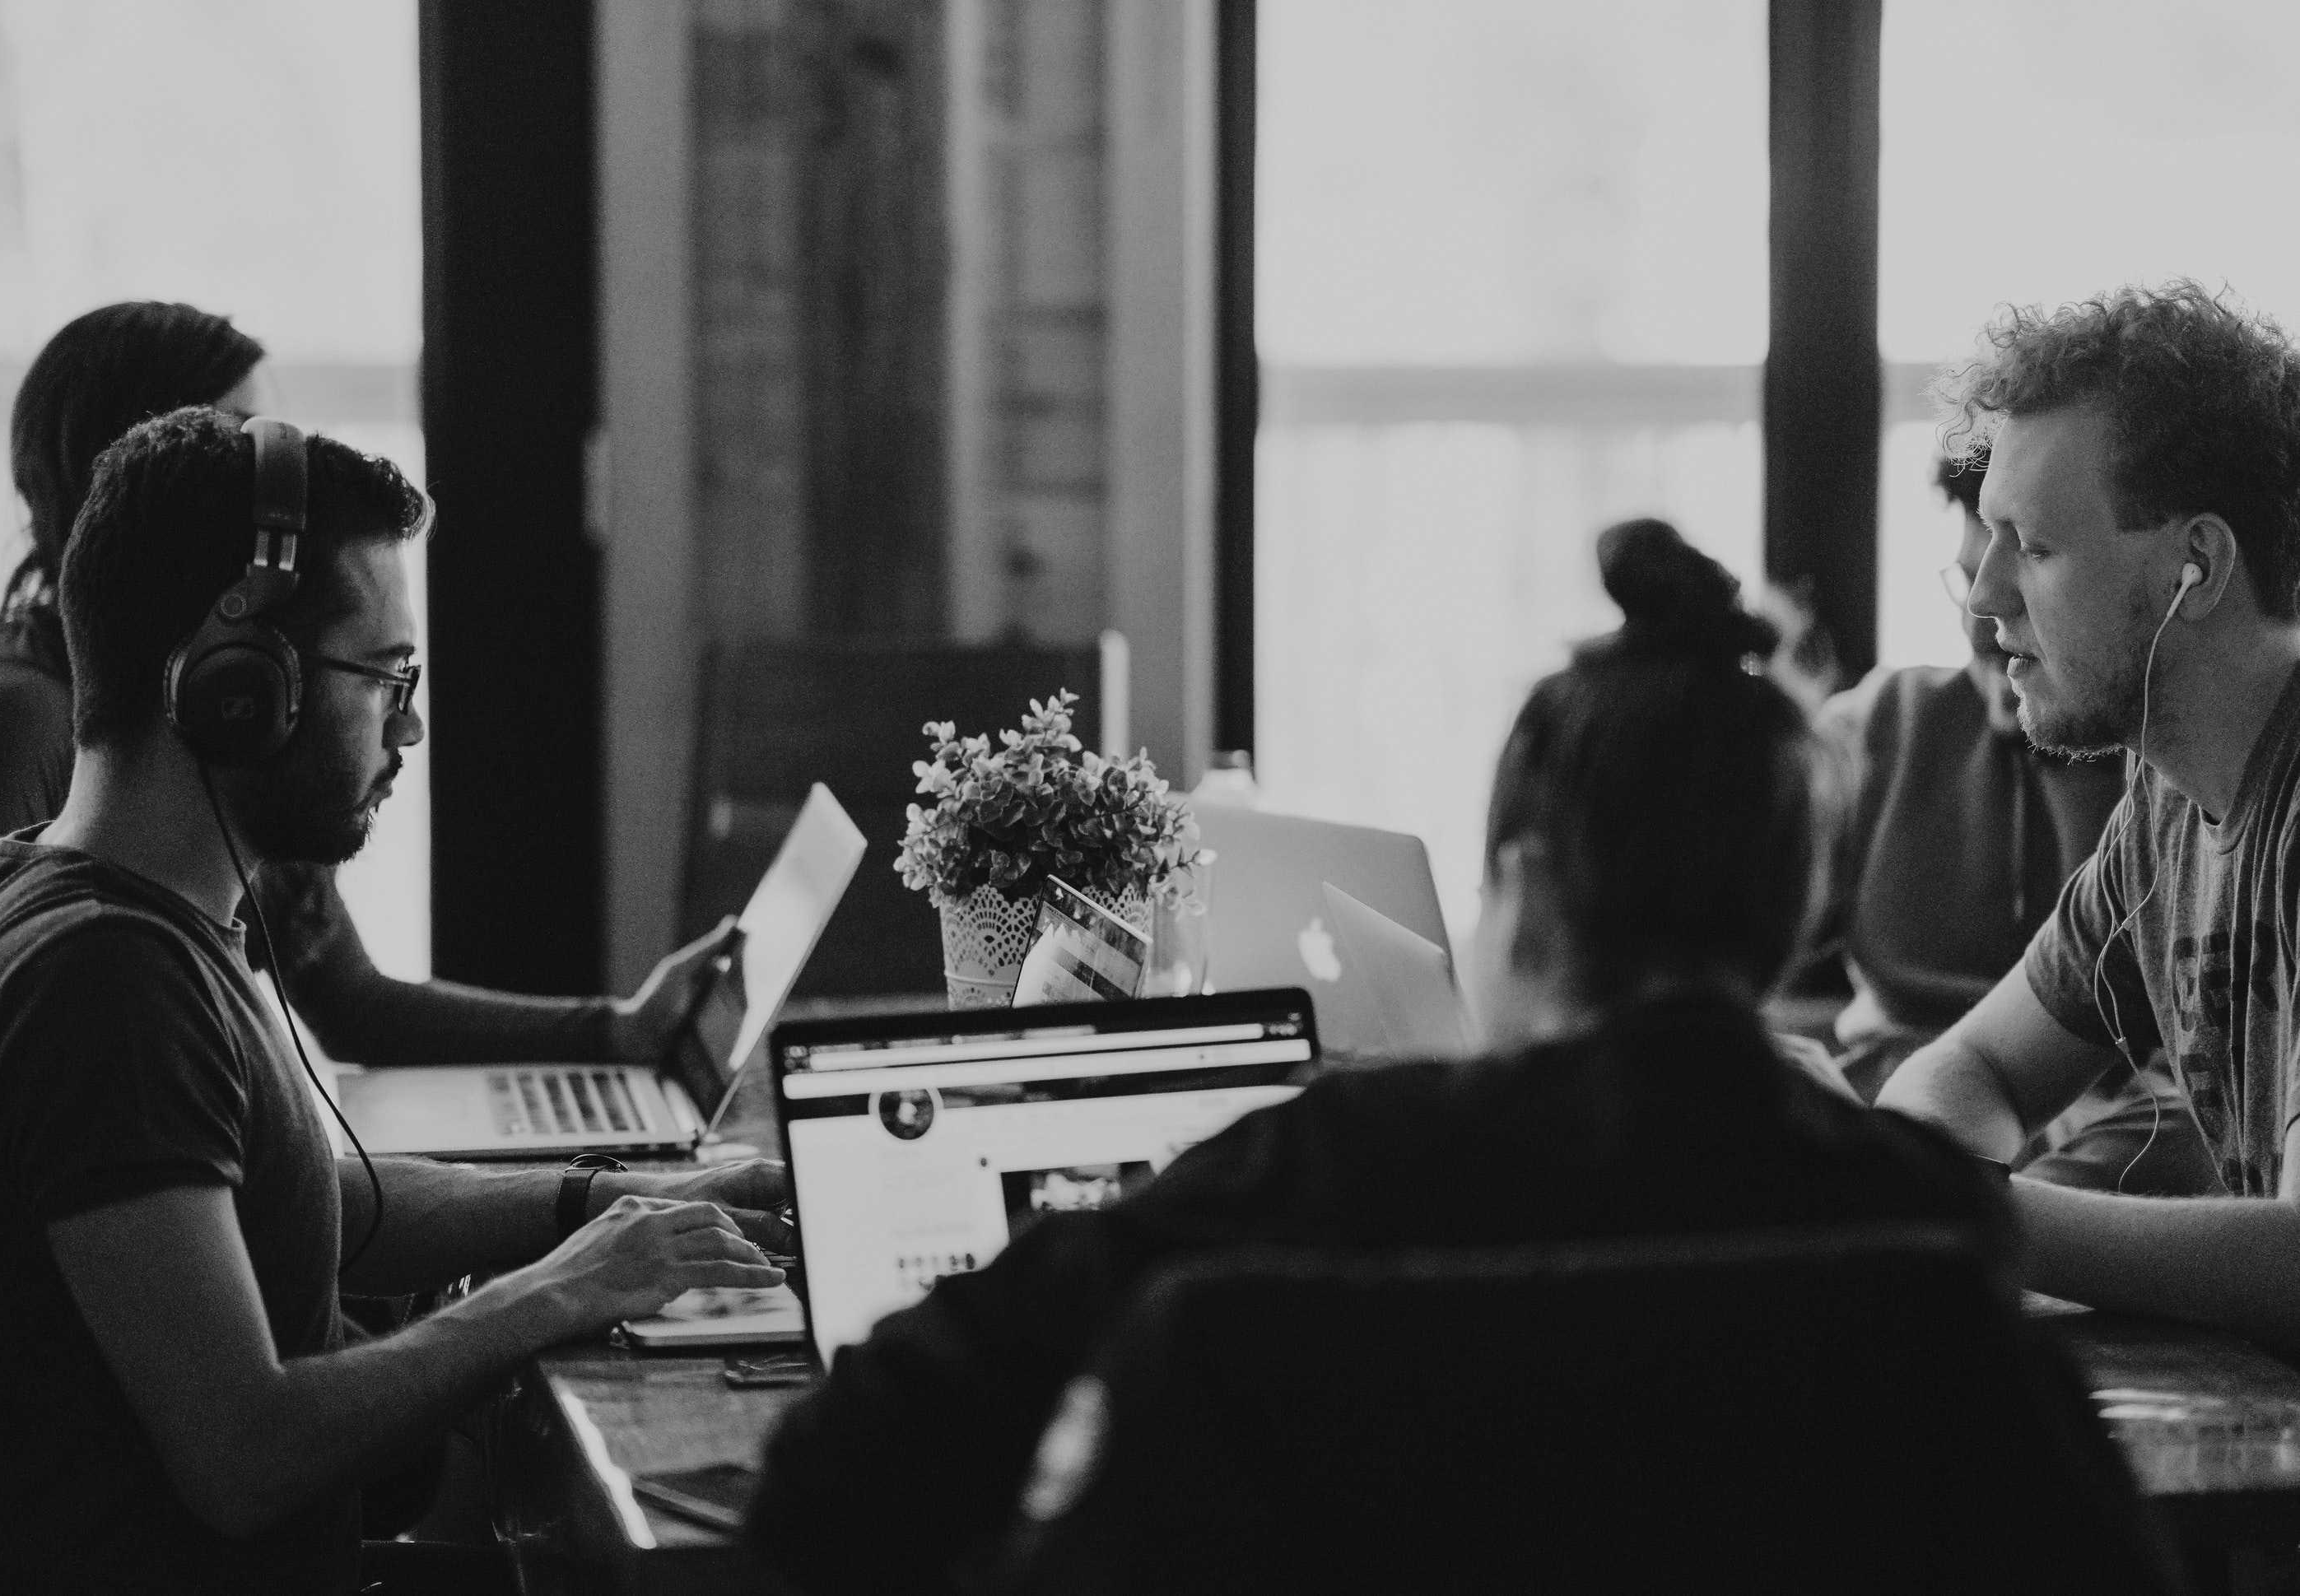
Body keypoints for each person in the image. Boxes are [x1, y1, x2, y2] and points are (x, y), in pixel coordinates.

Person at [742, 519, 2009, 1592]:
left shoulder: (1315, 1173)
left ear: (1525, 884)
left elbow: (834, 1466)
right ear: (1790, 905)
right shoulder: (1930, 1223)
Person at [0, 407, 793, 1593]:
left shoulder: (99, 900)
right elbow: (244, 1451)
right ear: (237, 684)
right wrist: (559, 1290)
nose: (408, 725)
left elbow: (322, 1196)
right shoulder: (104, 984)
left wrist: (616, 1199)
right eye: (388, 674)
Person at [0, 301, 723, 1071]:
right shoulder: (20, 718)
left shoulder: (257, 711)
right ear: (138, 467)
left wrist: (617, 1030)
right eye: (238, 442)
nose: (281, 490)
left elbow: (355, 1004)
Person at [1879, 282, 2300, 1346]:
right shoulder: (2165, 804)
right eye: (1986, 538)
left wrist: (1946, 1208)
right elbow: (1969, 1066)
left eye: (2034, 544)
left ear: (2192, 567)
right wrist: (1928, 1178)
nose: (1981, 595)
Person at [1810, 454, 2216, 1194]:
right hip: (1907, 1116)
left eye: (2033, 561)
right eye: (1967, 577)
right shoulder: (1883, 725)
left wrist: (1959, 1211)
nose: (1983, 617)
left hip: (2088, 1145)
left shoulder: (2180, 785)